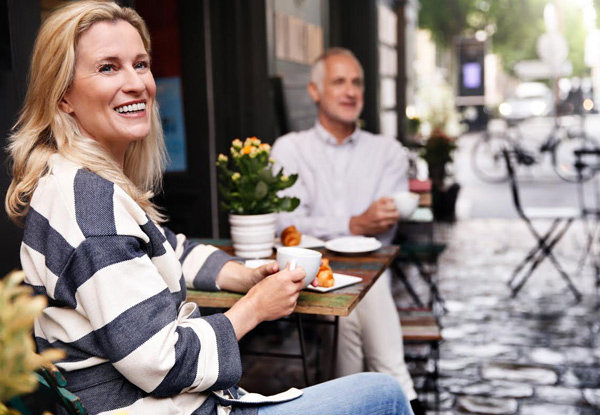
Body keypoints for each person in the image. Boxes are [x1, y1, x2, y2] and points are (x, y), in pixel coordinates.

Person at [4, 2, 413, 415]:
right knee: (385, 395)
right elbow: (162, 365)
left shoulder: (78, 183)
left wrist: (246, 275)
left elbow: (169, 248)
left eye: (140, 64)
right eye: (108, 67)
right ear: (62, 98)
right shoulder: (91, 208)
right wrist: (254, 308)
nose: (136, 83)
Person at [271, 47, 425, 415]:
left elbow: (382, 230)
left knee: (358, 302)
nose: (351, 91)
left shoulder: (388, 151)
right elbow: (287, 227)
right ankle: (402, 388)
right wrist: (353, 225)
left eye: (357, 82)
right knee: (363, 293)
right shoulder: (290, 150)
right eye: (339, 81)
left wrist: (346, 228)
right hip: (315, 279)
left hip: (369, 276)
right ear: (315, 91)